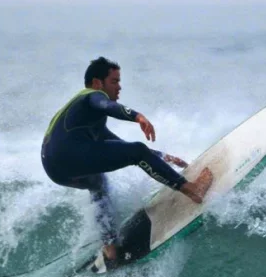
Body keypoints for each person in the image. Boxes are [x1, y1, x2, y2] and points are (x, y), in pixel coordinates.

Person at [41, 56, 212, 263]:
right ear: (97, 83)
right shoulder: (92, 96)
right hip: (68, 155)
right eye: (114, 81)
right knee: (136, 152)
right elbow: (106, 105)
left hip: (54, 167)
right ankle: (192, 190)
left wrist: (159, 156)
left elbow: (117, 145)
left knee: (98, 183)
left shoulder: (83, 115)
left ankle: (110, 246)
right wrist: (137, 116)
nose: (119, 87)